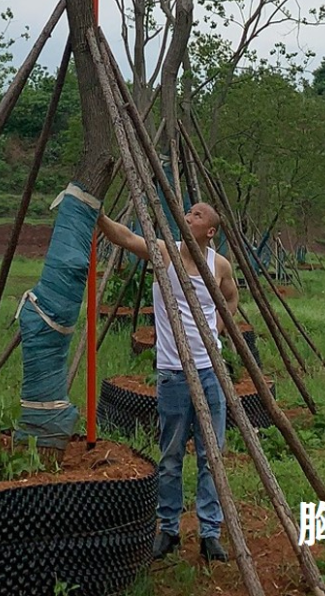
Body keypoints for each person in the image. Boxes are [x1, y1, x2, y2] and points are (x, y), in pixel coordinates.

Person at [97, 200, 239, 564]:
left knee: (211, 457)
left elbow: (232, 296)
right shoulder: (165, 253)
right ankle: (169, 529)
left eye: (197, 215)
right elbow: (126, 237)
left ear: (210, 232)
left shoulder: (218, 265)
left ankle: (210, 533)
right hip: (173, 373)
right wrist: (96, 214)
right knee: (172, 456)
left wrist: (216, 334)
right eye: (188, 212)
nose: (188, 216)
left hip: (209, 372)